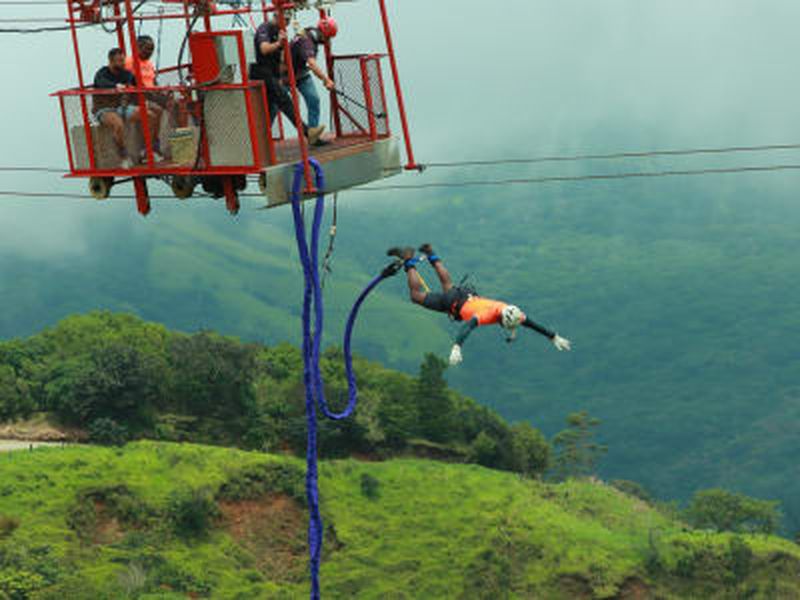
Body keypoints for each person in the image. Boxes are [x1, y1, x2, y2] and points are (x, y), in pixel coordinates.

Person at [387, 245, 572, 365]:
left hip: (465, 293)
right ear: (501, 320)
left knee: (448, 285)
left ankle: (431, 254)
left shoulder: (510, 310)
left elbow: (531, 323)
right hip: (453, 303)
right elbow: (468, 327)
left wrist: (553, 336)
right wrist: (457, 346)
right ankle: (409, 261)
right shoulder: (487, 316)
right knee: (417, 296)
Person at [251, 15, 324, 144]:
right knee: (285, 102)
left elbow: (280, 58)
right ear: (278, 17)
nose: (288, 24)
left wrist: (279, 77)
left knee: (270, 109)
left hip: (272, 74)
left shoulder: (279, 31)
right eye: (286, 20)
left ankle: (258, 140)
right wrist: (279, 43)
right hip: (261, 72)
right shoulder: (265, 29)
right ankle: (308, 132)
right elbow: (264, 49)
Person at [288, 17, 338, 139]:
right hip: (286, 76)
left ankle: (313, 134)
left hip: (301, 74)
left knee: (313, 99)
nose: (327, 41)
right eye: (327, 38)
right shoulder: (307, 41)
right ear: (323, 34)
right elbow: (312, 63)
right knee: (279, 105)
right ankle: (263, 136)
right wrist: (326, 80)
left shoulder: (309, 34)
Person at [93, 48, 139, 168]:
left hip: (122, 107)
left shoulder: (126, 74)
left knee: (147, 114)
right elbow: (101, 82)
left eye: (123, 60)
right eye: (119, 61)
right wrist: (115, 86)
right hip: (104, 109)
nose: (122, 63)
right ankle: (123, 155)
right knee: (117, 123)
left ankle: (150, 149)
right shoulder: (102, 73)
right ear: (111, 61)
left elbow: (137, 85)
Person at [124, 35, 165, 159]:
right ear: (137, 48)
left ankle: (183, 138)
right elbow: (132, 82)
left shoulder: (149, 63)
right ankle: (150, 146)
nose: (150, 52)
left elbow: (153, 81)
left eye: (152, 49)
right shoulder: (129, 62)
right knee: (156, 110)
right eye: (147, 49)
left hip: (151, 95)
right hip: (137, 97)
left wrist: (162, 92)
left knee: (178, 104)